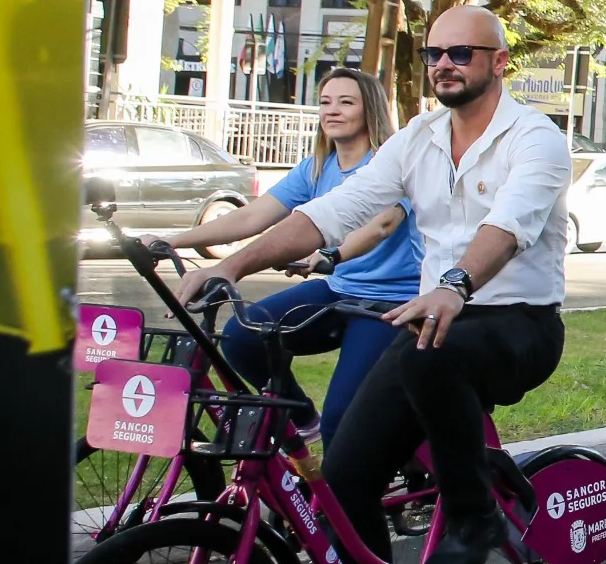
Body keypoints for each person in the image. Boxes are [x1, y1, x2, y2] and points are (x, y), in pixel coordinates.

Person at [181, 6, 574, 564]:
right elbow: (331, 212)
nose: (444, 64)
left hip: (516, 322)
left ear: (499, 61)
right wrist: (231, 266)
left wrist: (453, 286)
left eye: (461, 52)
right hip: (432, 319)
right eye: (433, 54)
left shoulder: (536, 139)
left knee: (432, 351)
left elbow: (508, 227)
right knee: (345, 478)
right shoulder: (420, 138)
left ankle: (473, 518)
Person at [158, 68, 419, 458]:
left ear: (371, 111)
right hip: (338, 290)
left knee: (343, 419)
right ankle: (301, 418)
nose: (332, 111)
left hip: (389, 302)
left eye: (346, 102)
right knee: (242, 338)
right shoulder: (316, 166)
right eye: (325, 102)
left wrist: (330, 253)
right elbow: (251, 218)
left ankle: (347, 508)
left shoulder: (389, 163)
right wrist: (171, 241)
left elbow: (381, 224)